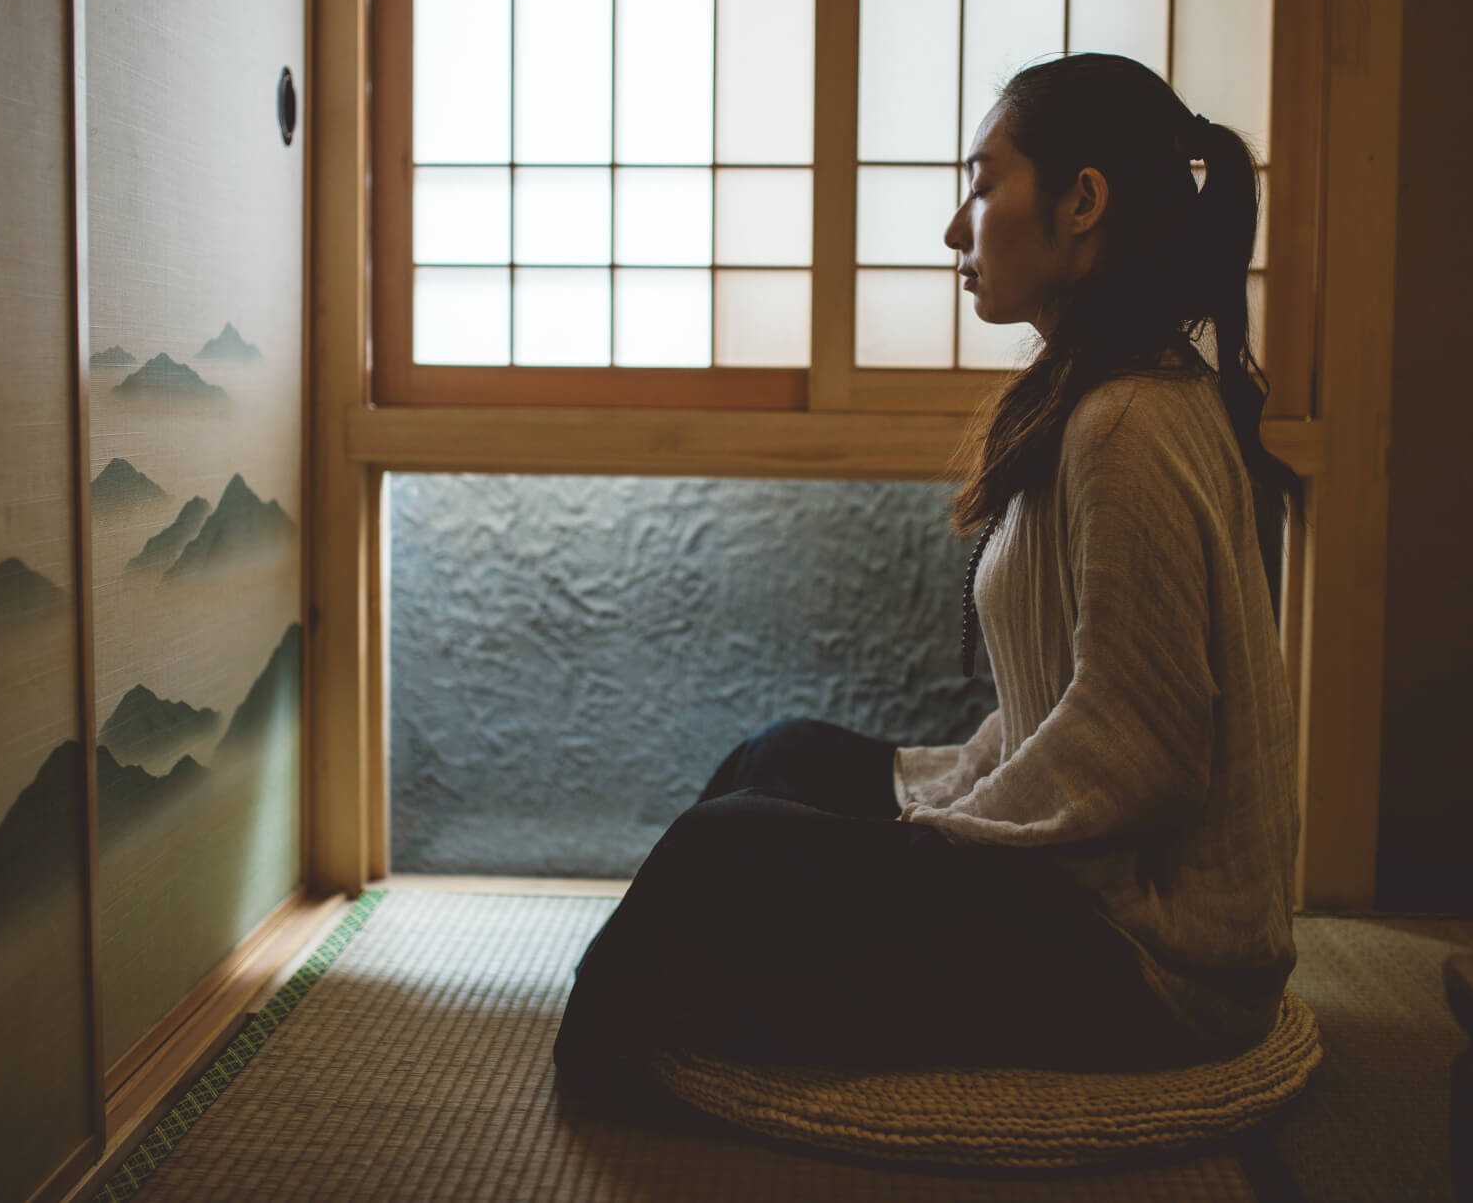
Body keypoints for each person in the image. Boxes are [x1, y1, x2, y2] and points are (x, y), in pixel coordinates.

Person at [552, 53, 1305, 1099]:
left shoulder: (1128, 421)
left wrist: (936, 836)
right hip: (1087, 894)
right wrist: (929, 795)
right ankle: (684, 1002)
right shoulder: (1096, 397)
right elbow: (1059, 709)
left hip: (1156, 961)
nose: (958, 226)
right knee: (786, 757)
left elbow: (1142, 748)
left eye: (983, 181)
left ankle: (629, 1064)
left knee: (725, 855)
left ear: (1080, 202)